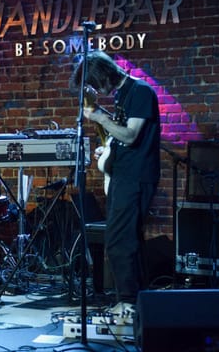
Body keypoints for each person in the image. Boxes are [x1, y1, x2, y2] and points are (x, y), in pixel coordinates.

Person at [70, 50, 160, 325]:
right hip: (123, 175)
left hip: (135, 178)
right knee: (128, 239)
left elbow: (131, 135)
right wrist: (108, 148)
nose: (98, 90)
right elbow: (121, 136)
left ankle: (128, 303)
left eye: (97, 84)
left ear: (107, 74)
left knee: (119, 241)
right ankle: (139, 303)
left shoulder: (141, 92)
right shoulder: (123, 94)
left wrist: (100, 118)